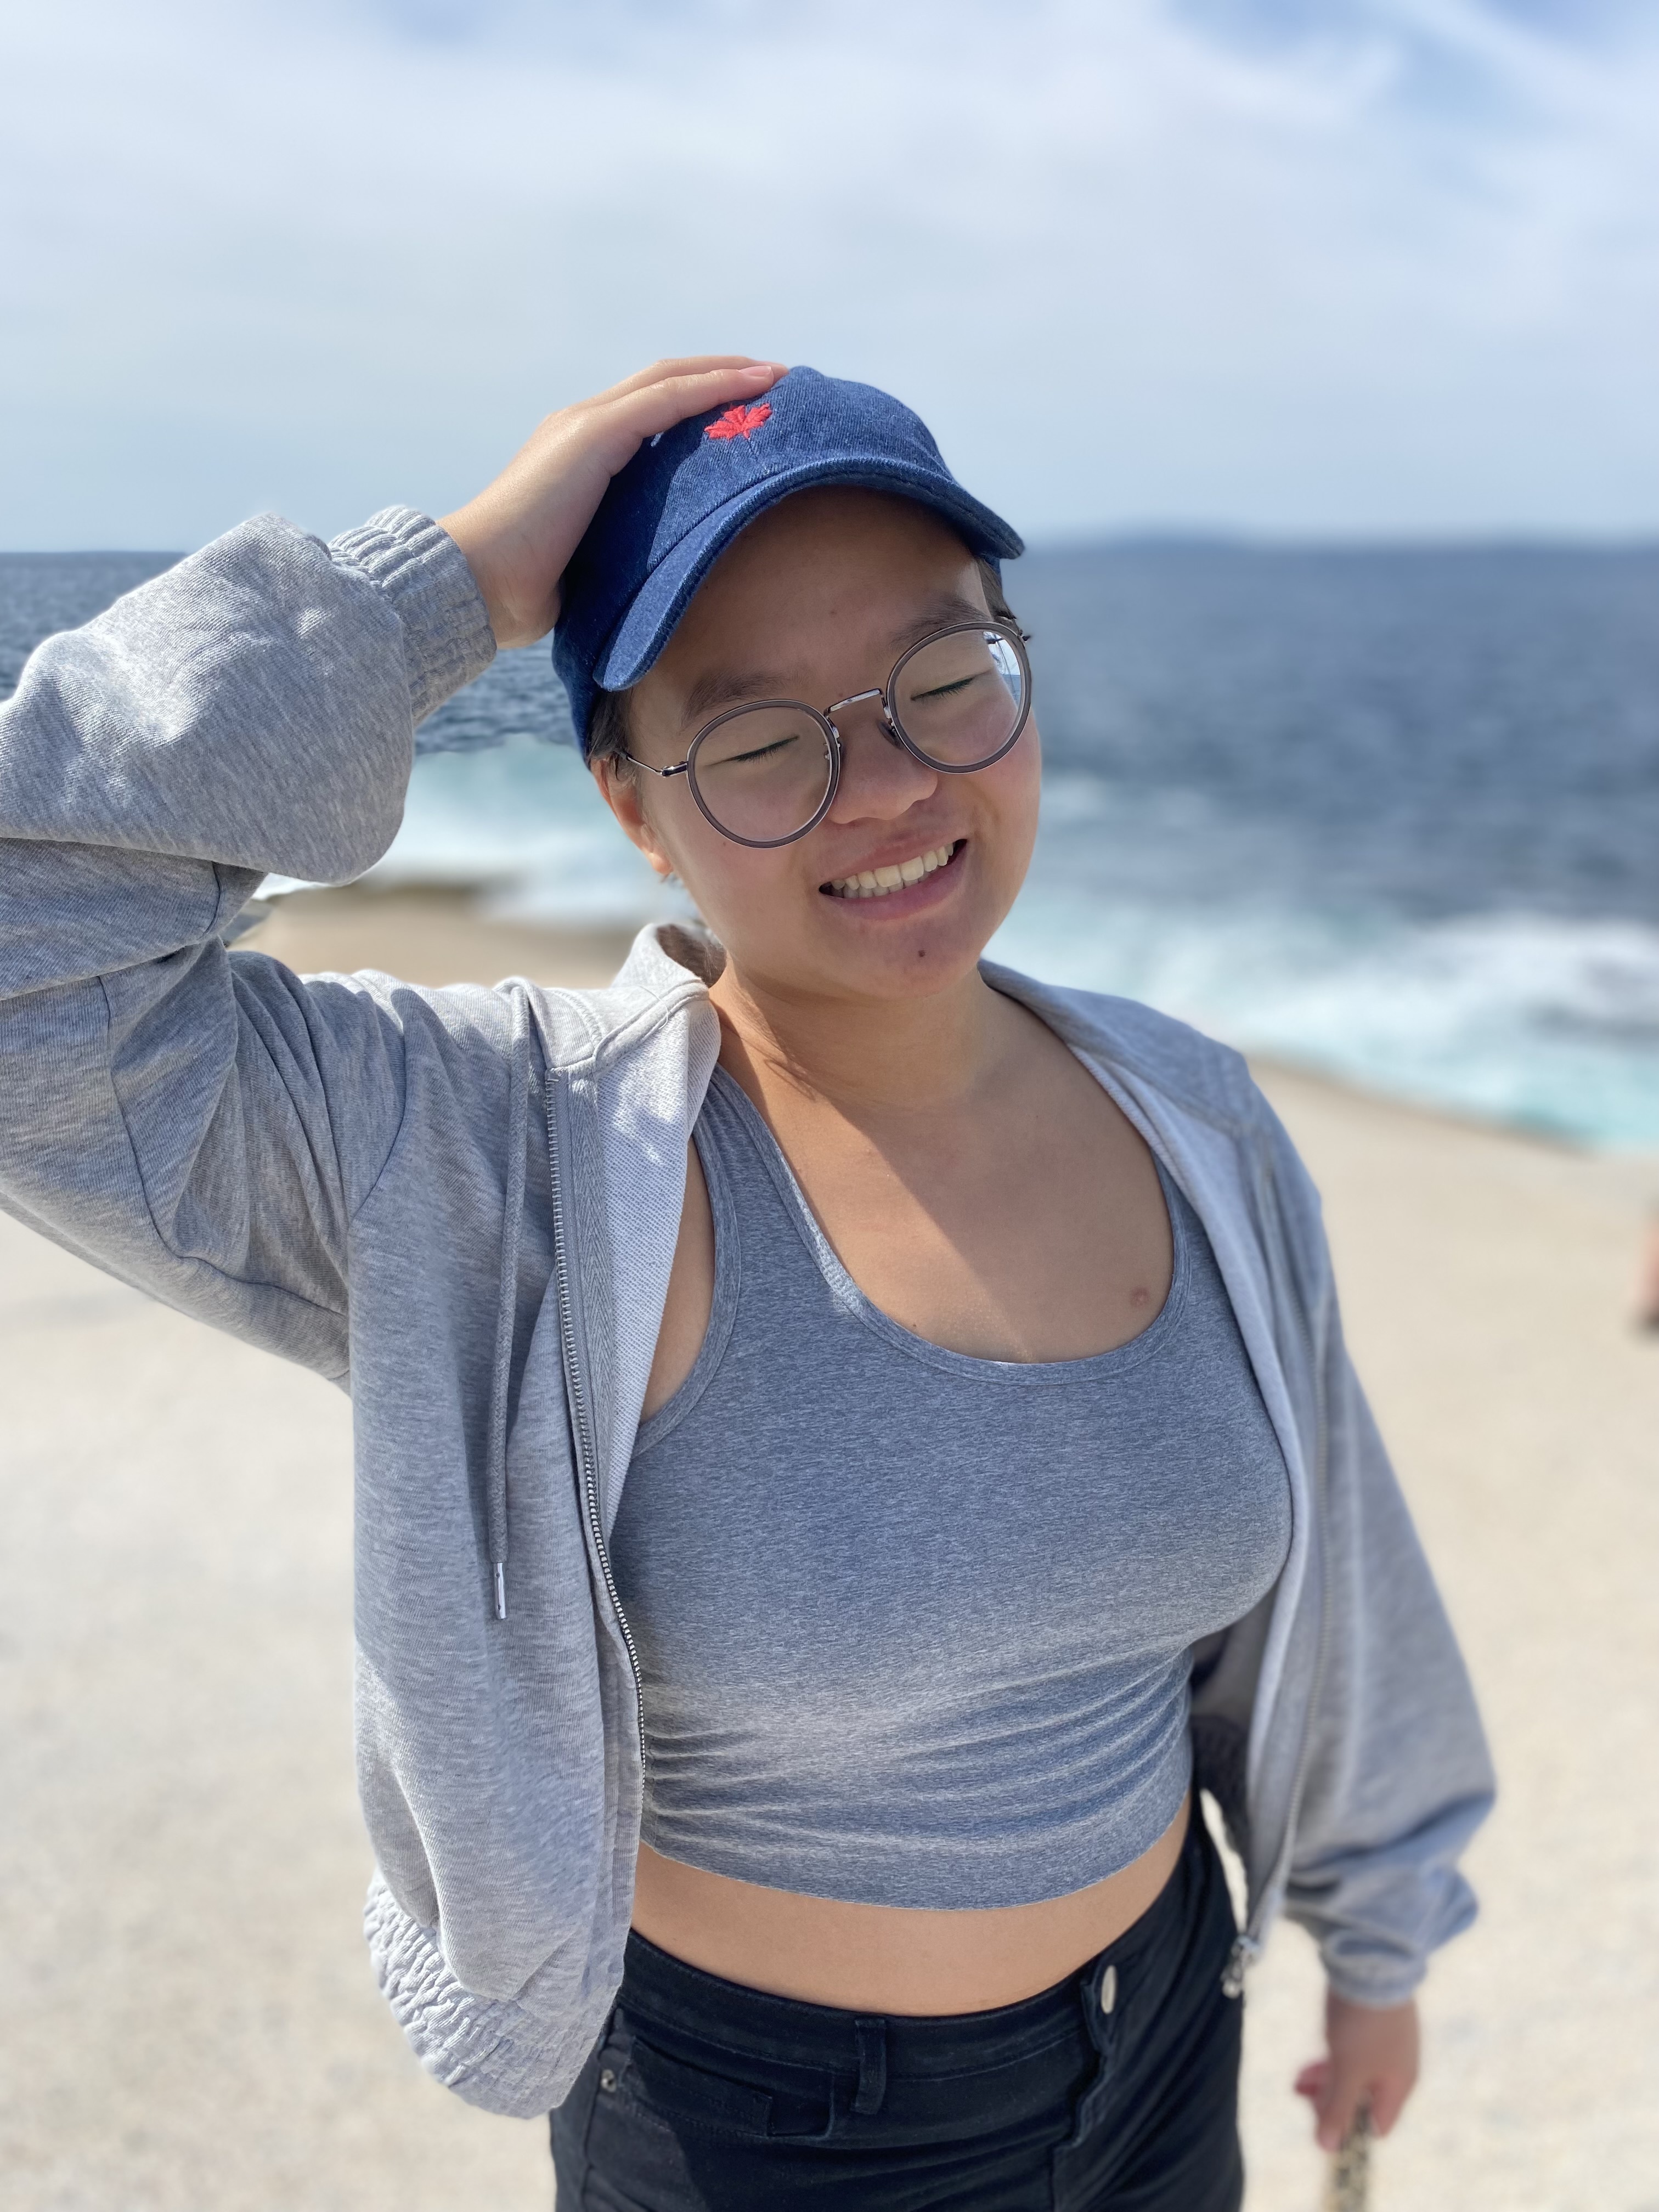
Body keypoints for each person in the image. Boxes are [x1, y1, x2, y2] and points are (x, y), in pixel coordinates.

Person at [0, 357, 1492, 2211]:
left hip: (1167, 2041)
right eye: (762, 737)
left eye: (944, 677)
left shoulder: (1191, 1111)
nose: (891, 785)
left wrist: (1379, 1936)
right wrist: (449, 586)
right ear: (634, 806)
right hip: (759, 2138)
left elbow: (1339, 1576)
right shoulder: (495, 1153)